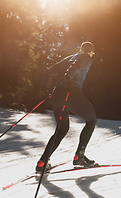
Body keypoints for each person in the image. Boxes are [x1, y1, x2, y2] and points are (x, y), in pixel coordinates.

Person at [36, 42, 98, 172]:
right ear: (89, 51)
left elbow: (48, 72)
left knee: (62, 129)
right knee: (91, 120)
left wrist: (42, 88)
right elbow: (74, 68)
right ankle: (79, 157)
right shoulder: (86, 57)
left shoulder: (68, 58)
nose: (92, 55)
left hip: (57, 95)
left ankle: (43, 161)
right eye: (92, 52)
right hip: (70, 92)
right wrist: (68, 78)